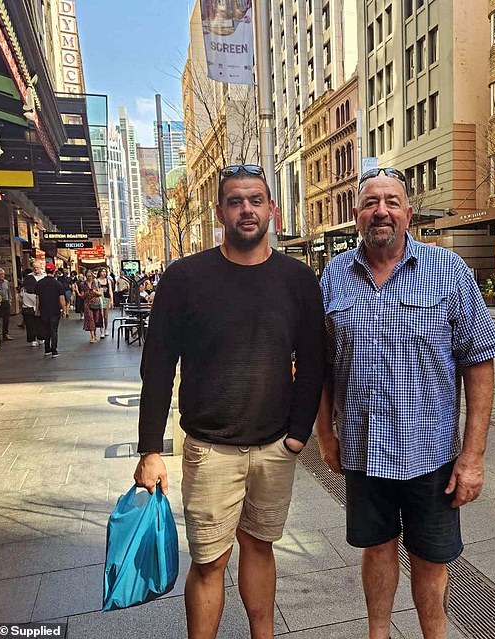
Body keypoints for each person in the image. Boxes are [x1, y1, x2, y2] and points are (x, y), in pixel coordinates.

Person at [133, 164, 325, 639]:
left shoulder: (298, 279)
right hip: (209, 448)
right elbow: (157, 365)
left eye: (256, 200)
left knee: (260, 546)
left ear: (272, 210)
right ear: (219, 211)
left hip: (275, 446)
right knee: (209, 560)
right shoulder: (183, 278)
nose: (246, 210)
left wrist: (299, 434)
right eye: (236, 201)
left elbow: (315, 360)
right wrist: (150, 449)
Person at [316, 167, 495, 639]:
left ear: (409, 212)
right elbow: (318, 364)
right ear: (356, 213)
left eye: (392, 201)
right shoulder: (335, 274)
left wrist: (473, 455)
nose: (381, 210)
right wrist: (325, 434)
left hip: (432, 455)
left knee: (430, 560)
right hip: (363, 451)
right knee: (377, 550)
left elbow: (479, 363)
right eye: (371, 202)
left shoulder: (448, 270)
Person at [34, 263, 66, 357]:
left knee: (46, 330)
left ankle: (47, 349)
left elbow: (37, 299)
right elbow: (62, 299)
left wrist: (37, 310)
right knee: (54, 330)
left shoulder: (39, 283)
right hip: (55, 311)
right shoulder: (58, 284)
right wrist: (64, 310)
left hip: (44, 311)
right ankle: (54, 350)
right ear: (54, 271)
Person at [78, 269, 103, 342]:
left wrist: (94, 291)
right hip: (87, 304)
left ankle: (95, 335)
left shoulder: (96, 282)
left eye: (91, 276)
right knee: (90, 319)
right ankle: (92, 336)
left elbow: (100, 293)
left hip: (95, 303)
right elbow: (82, 296)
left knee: (96, 319)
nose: (89, 277)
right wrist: (87, 293)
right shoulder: (82, 284)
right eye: (88, 276)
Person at [0, 267, 13, 341]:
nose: (2, 276)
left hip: (5, 302)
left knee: (6, 319)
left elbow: (9, 292)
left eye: (3, 274)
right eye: (0, 274)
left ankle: (5, 334)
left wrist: (10, 300)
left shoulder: (6, 282)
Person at [96, 267, 114, 338]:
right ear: (99, 272)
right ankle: (102, 331)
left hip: (106, 298)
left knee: (106, 316)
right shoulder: (96, 281)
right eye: (102, 271)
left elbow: (110, 291)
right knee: (101, 315)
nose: (103, 273)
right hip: (99, 298)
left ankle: (106, 328)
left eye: (105, 272)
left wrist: (112, 299)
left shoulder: (108, 280)